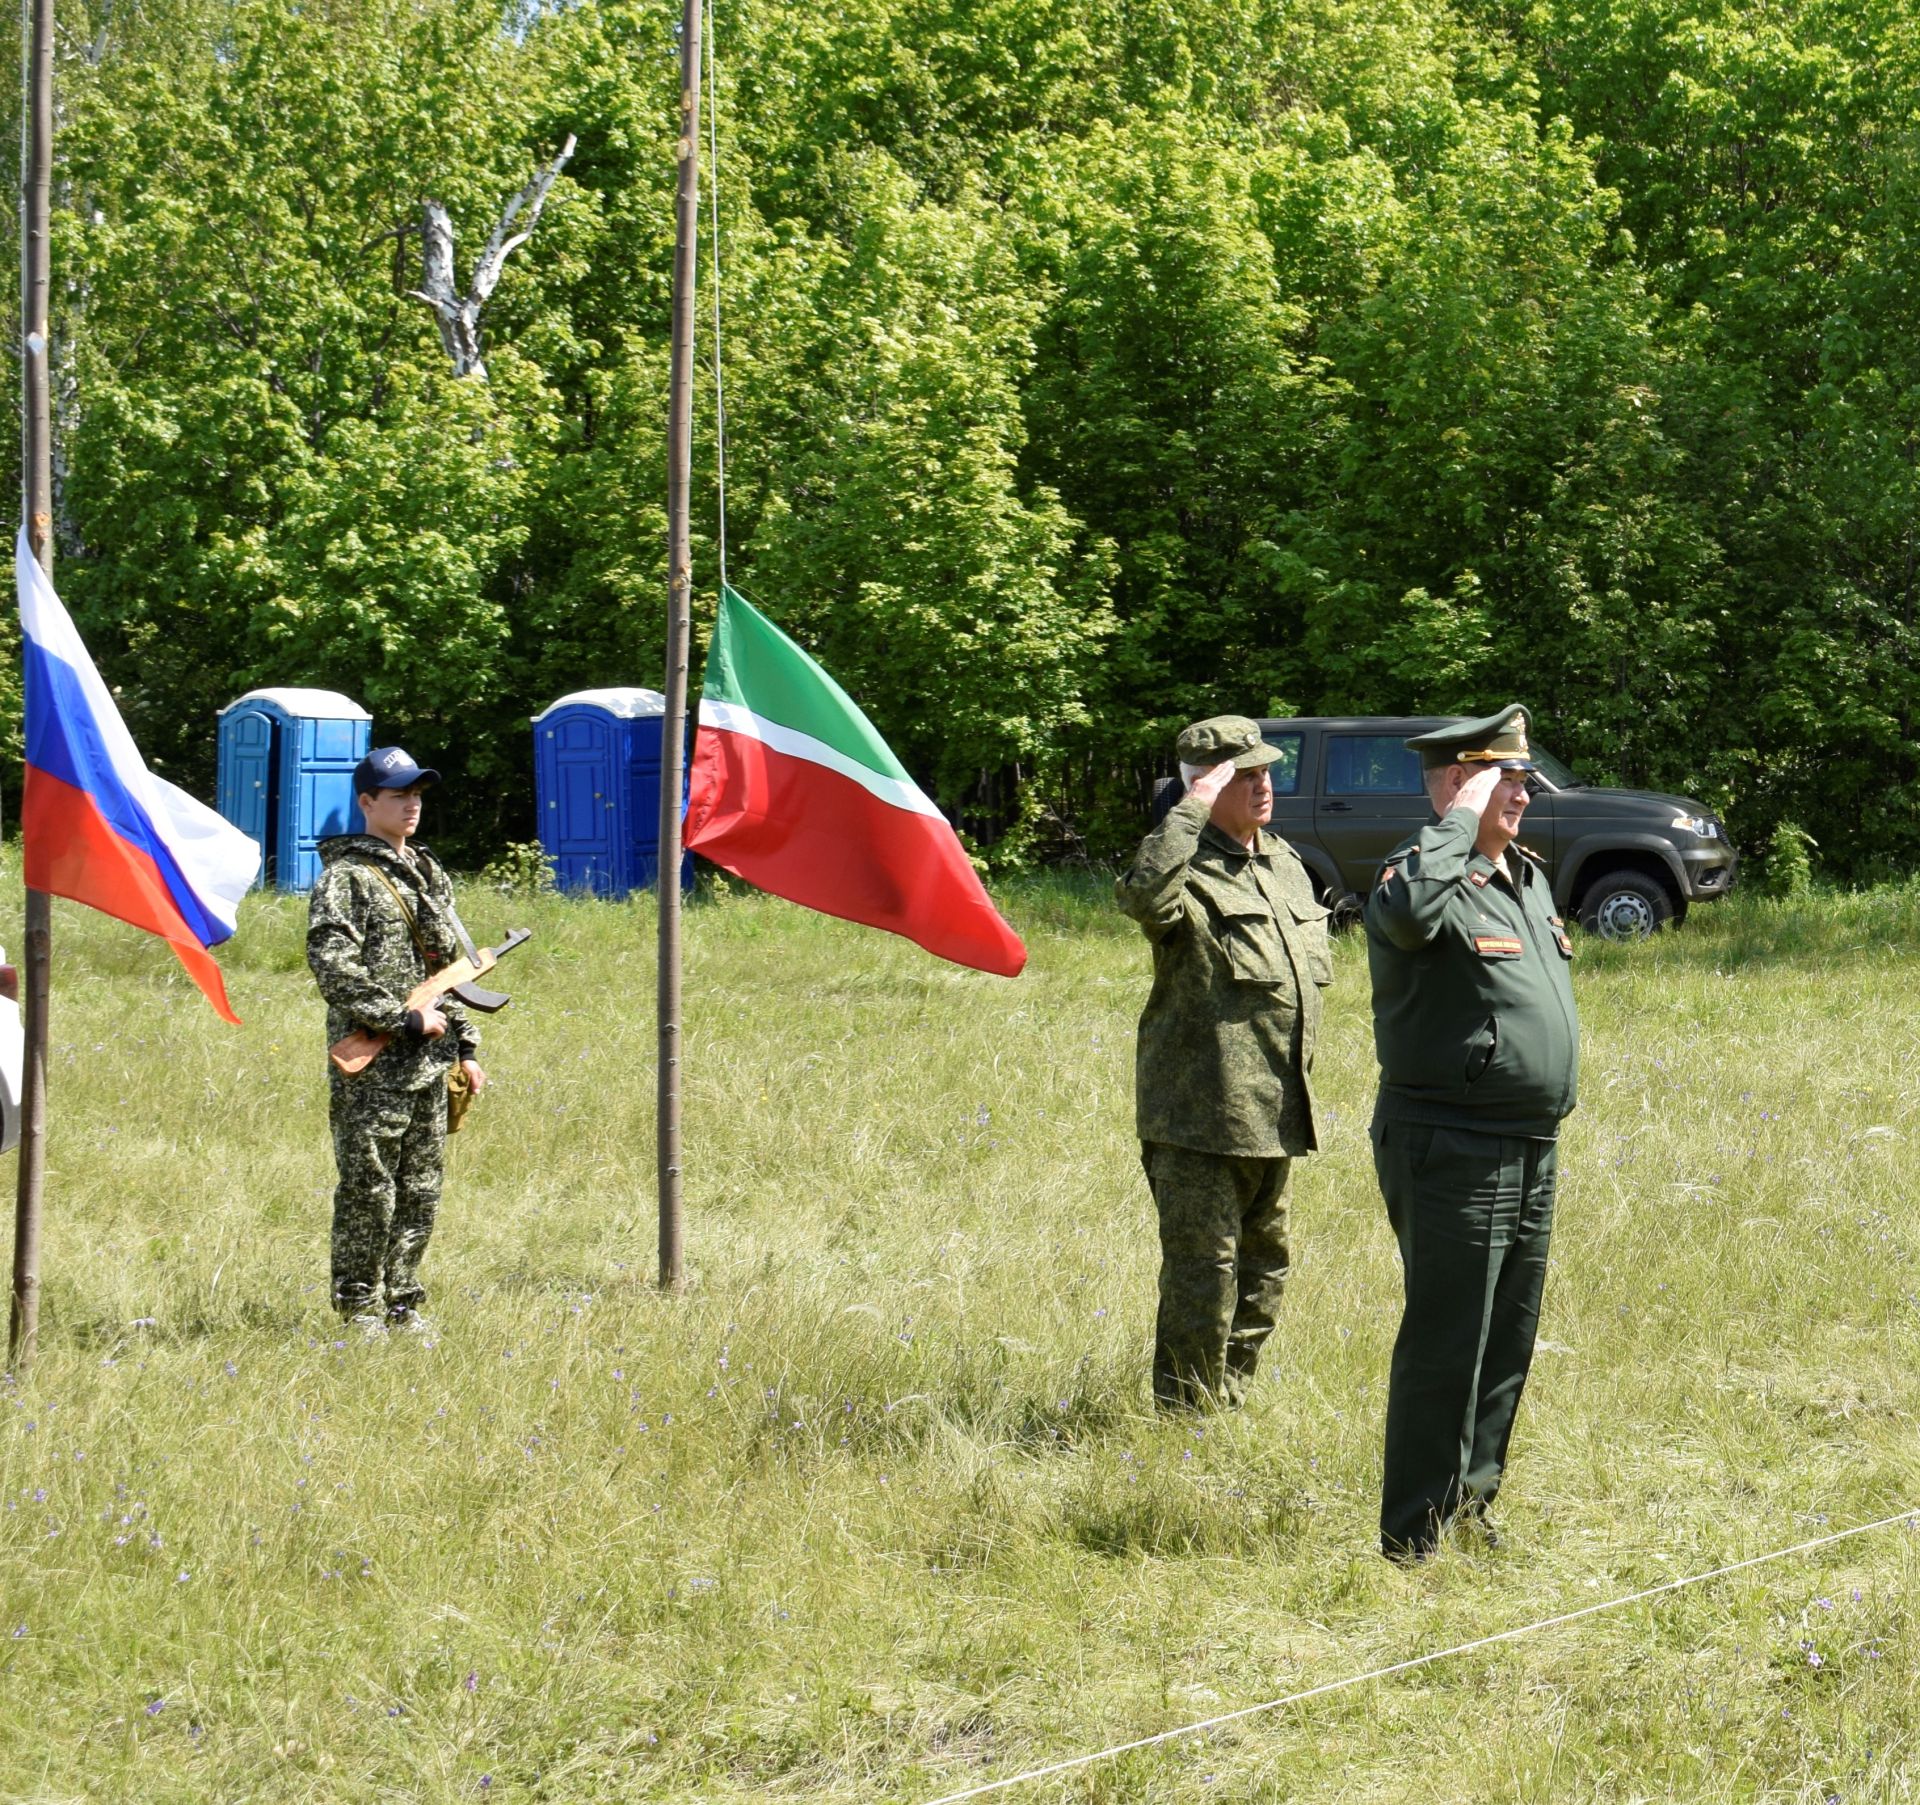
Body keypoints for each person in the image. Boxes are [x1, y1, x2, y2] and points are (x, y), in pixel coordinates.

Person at [1364, 704, 1579, 1559]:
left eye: (1526, 779)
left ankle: (1469, 1507)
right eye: (1508, 778)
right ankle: (1411, 1537)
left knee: (1506, 1339)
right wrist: (1458, 821)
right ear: (1461, 780)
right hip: (1453, 1143)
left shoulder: (1523, 877)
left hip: (1529, 1143)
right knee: (1449, 1338)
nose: (1523, 793)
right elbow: (1411, 917)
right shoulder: (1416, 874)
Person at [1116, 714, 1334, 1410]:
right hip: (1198, 1116)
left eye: (1266, 770)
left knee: (1265, 1270)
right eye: (1244, 776)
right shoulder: (1183, 866)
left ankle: (1227, 1402)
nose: (1263, 784)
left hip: (1275, 1111)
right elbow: (1144, 896)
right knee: (1203, 1276)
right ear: (1207, 787)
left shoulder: (1286, 864)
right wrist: (1190, 809)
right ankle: (1184, 1420)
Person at [307, 747, 486, 1337]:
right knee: (369, 1189)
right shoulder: (346, 878)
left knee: (420, 1191)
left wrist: (465, 1047)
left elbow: (447, 972)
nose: (411, 804)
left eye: (417, 794)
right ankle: (358, 1307)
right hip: (375, 1065)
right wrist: (398, 1019)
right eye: (397, 794)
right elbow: (331, 965)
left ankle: (403, 1303)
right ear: (366, 802)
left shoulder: (431, 874)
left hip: (430, 1065)